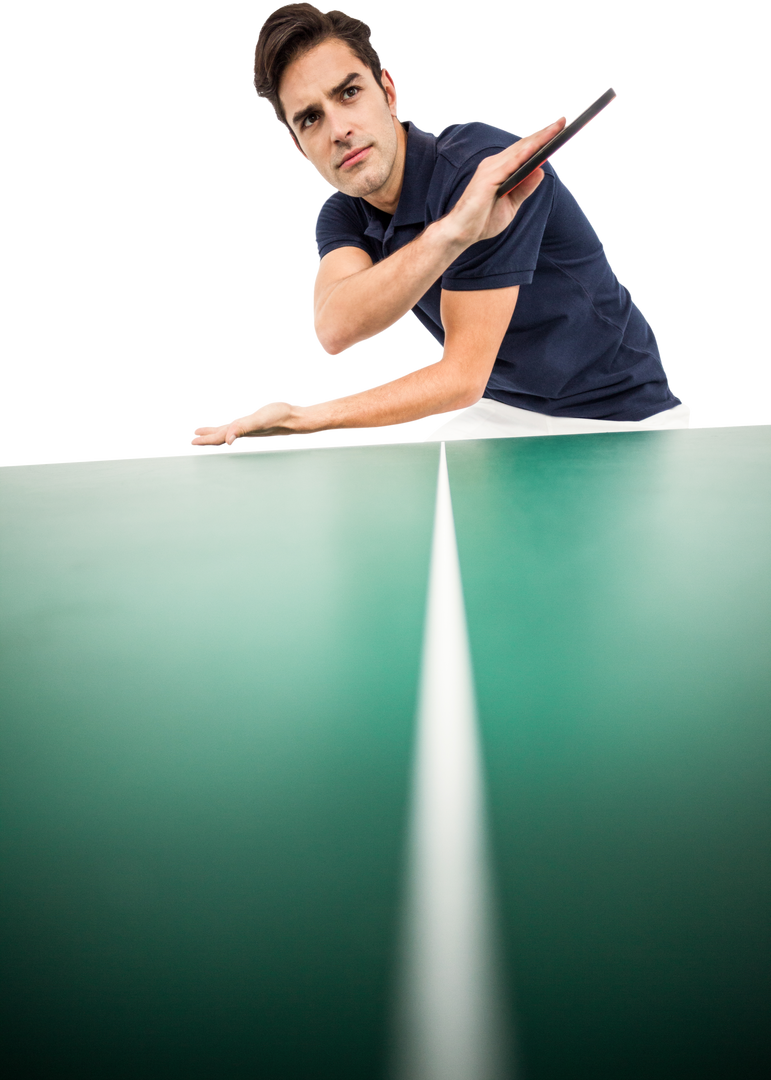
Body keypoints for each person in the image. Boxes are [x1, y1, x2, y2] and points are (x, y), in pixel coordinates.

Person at [188, 3, 690, 450]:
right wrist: (452, 234)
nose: (340, 130)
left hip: (623, 418)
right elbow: (335, 327)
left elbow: (460, 378)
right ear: (299, 148)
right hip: (509, 410)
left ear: (389, 92)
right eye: (312, 119)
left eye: (349, 93)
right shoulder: (341, 213)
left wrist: (304, 418)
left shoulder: (480, 167)